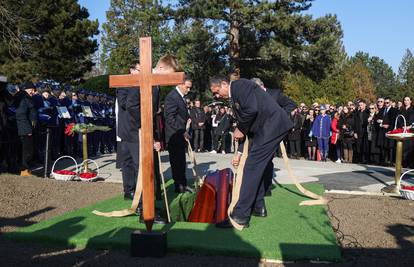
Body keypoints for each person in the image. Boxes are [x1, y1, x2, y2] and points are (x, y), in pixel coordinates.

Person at [209, 75, 293, 229]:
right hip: (266, 129)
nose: (216, 95)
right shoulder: (235, 94)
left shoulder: (240, 86)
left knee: (251, 168)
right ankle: (258, 206)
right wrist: (239, 152)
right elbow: (249, 118)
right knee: (256, 167)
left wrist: (240, 128)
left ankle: (240, 216)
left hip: (271, 127)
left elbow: (251, 110)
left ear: (224, 84)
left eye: (216, 91)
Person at [164, 74, 192, 193]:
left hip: (179, 134)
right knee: (177, 162)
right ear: (180, 84)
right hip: (174, 135)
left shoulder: (179, 96)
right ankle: (179, 186)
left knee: (181, 161)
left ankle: (183, 184)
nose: (188, 90)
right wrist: (182, 131)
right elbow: (170, 118)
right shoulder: (172, 97)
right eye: (187, 87)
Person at [15, 82, 37, 176]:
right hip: (25, 129)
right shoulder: (23, 98)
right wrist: (28, 129)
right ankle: (24, 170)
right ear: (27, 89)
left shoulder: (27, 97)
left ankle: (25, 169)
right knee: (26, 150)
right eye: (32, 89)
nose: (33, 92)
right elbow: (21, 114)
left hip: (27, 127)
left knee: (27, 150)